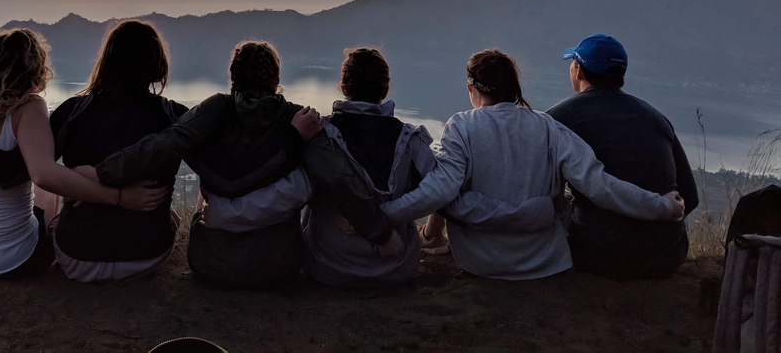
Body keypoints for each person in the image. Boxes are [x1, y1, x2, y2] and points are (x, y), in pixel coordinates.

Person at [200, 47, 553, 287]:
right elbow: (444, 191)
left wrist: (224, 210)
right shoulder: (412, 139)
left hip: (330, 268)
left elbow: (292, 193)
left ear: (343, 86)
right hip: (396, 267)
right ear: (385, 89)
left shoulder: (322, 137)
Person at [79, 40, 403, 287]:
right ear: (276, 77)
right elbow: (338, 177)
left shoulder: (216, 110)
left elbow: (164, 144)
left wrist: (101, 173)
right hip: (279, 266)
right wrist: (381, 233)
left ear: (231, 76)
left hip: (211, 265)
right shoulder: (297, 118)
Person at [380, 48, 687, 280]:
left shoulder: (461, 126)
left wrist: (382, 217)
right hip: (545, 263)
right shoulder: (549, 128)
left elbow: (440, 189)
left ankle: (430, 239)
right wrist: (662, 207)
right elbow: (600, 185)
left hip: (479, 262)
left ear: (471, 88)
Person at [0, 28, 161, 278]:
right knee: (45, 188)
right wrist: (118, 197)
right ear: (35, 68)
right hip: (13, 260)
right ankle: (52, 231)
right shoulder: (28, 106)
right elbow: (44, 176)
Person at [547, 33, 699, 280]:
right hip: (666, 256)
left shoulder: (556, 119)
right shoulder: (656, 118)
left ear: (578, 71)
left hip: (596, 255)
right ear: (621, 76)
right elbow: (689, 197)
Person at [48, 20, 187, 282]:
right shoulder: (174, 116)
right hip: (147, 255)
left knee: (54, 218)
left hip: (77, 258)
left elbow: (40, 170)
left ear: (107, 61)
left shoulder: (71, 112)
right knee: (173, 216)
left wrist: (80, 176)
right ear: (156, 64)